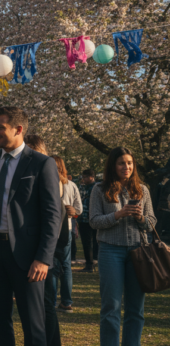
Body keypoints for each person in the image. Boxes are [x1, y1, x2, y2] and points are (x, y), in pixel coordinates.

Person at [0, 107, 62, 346]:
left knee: (33, 323)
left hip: (28, 256)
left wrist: (44, 258)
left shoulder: (42, 164)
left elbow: (52, 215)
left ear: (18, 129)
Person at [89, 147, 156, 346]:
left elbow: (152, 222)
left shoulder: (142, 189)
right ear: (113, 165)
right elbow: (93, 221)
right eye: (121, 163)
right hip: (111, 250)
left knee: (136, 309)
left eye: (129, 163)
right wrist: (117, 215)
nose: (126, 167)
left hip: (138, 251)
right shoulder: (99, 189)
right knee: (111, 306)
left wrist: (140, 217)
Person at [23, 135, 65, 346]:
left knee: (46, 303)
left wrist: (45, 254)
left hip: (46, 250)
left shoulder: (46, 174)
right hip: (41, 247)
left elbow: (53, 216)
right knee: (42, 304)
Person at [50, 156, 82, 313]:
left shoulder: (47, 182)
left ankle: (51, 299)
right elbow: (79, 209)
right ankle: (66, 301)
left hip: (51, 229)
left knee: (52, 265)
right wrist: (72, 211)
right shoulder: (71, 185)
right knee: (66, 265)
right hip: (66, 228)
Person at [77, 169, 99, 273]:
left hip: (94, 217)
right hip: (83, 218)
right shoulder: (82, 186)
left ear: (91, 176)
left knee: (96, 241)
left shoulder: (97, 187)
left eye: (85, 177)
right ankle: (89, 264)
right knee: (86, 243)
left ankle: (95, 262)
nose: (83, 179)